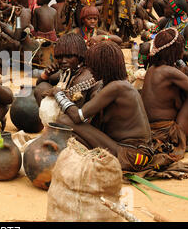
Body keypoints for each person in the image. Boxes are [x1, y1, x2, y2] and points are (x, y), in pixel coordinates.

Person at [50, 41, 154, 173]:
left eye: (93, 67)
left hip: (132, 155)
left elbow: (78, 116)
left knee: (64, 121)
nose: (91, 71)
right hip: (130, 150)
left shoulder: (116, 87)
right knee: (72, 130)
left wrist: (58, 94)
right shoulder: (115, 85)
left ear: (103, 67)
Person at [142, 28, 188, 162]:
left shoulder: (152, 69)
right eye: (181, 48)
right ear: (174, 50)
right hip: (168, 134)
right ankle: (187, 140)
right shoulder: (169, 72)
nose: (183, 51)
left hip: (154, 130)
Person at [34, 32, 101, 109]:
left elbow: (74, 111)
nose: (63, 61)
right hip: (68, 114)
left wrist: (57, 93)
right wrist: (47, 74)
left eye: (69, 56)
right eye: (59, 57)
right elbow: (39, 84)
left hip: (78, 116)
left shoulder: (84, 76)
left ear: (80, 55)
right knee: (42, 87)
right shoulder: (70, 70)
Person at [140, 0, 188, 64]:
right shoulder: (165, 21)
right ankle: (143, 69)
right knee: (144, 47)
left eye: (167, 8)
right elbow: (144, 35)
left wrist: (173, 47)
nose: (164, 9)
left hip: (175, 60)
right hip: (160, 54)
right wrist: (157, 38)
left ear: (173, 13)